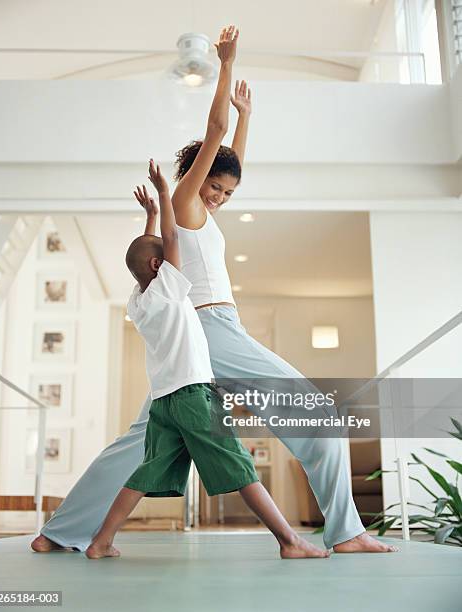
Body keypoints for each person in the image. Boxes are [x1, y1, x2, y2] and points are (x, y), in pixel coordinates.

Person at [32, 25, 397, 555]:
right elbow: (214, 129)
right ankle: (347, 532)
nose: (221, 197)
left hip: (200, 337)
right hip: (211, 330)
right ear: (193, 175)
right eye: (215, 187)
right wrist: (227, 65)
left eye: (228, 192)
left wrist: (248, 120)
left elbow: (229, 153)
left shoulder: (198, 207)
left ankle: (58, 532)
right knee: (318, 414)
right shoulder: (184, 199)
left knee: (142, 443)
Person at [85, 160, 330, 560]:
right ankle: (290, 541)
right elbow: (169, 236)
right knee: (240, 468)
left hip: (164, 400)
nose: (172, 253)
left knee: (146, 471)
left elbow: (149, 249)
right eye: (164, 255)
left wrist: (148, 220)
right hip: (192, 394)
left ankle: (101, 541)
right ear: (157, 266)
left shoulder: (140, 300)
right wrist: (164, 195)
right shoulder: (171, 287)